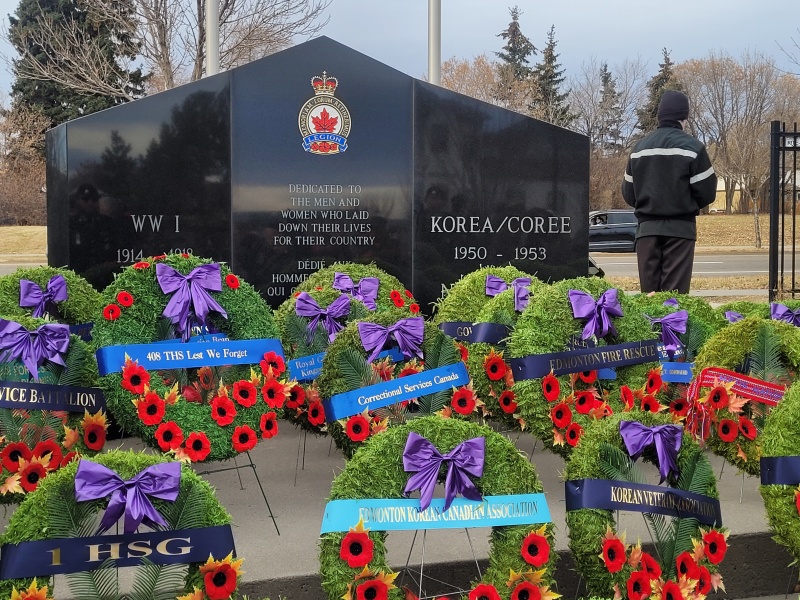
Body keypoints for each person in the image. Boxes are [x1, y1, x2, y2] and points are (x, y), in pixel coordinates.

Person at [621, 89, 717, 294]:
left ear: (660, 116)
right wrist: (683, 203)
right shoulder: (694, 148)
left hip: (646, 231)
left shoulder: (638, 149)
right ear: (683, 118)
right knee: (674, 298)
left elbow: (629, 193)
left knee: (649, 297)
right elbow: (707, 193)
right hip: (680, 231)